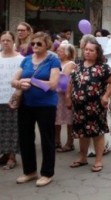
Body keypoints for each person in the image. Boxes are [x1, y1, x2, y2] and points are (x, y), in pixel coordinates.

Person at [12, 32, 61, 187]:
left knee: (47, 139)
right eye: (33, 43)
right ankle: (30, 171)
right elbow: (14, 80)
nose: (34, 46)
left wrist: (31, 81)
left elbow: (53, 85)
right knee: (25, 138)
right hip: (26, 104)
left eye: (39, 44)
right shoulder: (26, 60)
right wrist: (19, 84)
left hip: (46, 105)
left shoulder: (53, 60)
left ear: (47, 44)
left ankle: (47, 173)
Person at [67, 36, 111, 173]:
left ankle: (98, 160)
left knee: (97, 133)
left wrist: (106, 96)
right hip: (79, 107)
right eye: (86, 50)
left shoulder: (102, 68)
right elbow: (71, 83)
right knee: (82, 133)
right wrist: (68, 97)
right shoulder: (78, 67)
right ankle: (82, 158)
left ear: (97, 53)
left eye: (91, 50)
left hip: (95, 107)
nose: (87, 52)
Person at [0, 31, 24, 170]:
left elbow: (22, 77)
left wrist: (19, 94)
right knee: (2, 129)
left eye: (8, 40)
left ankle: (12, 157)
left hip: (13, 99)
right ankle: (4, 153)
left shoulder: (20, 59)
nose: (5, 43)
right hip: (0, 97)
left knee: (13, 129)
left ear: (13, 42)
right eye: (2, 40)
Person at [55, 43, 77, 153]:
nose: (58, 52)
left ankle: (70, 143)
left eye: (61, 51)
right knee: (56, 119)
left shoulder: (70, 64)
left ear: (68, 52)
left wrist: (53, 78)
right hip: (56, 94)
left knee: (69, 119)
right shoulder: (57, 62)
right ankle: (56, 141)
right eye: (58, 50)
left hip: (66, 95)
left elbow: (64, 79)